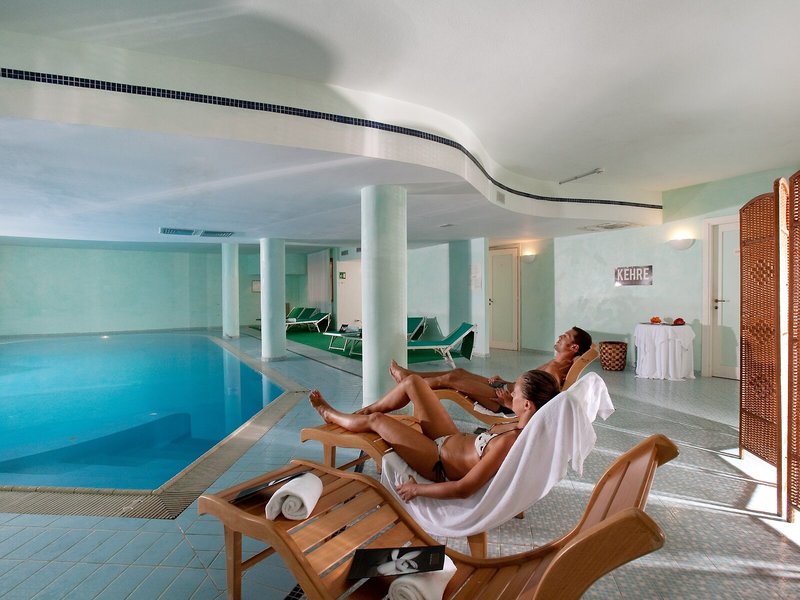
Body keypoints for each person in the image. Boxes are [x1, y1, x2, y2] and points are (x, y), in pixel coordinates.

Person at [308, 369, 560, 501]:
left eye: (515, 393)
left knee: (377, 421)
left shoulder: (510, 442)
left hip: (437, 461)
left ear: (528, 405)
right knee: (413, 382)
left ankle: (331, 415)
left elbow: (464, 489)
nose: (510, 393)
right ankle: (365, 410)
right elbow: (515, 411)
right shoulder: (522, 422)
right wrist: (508, 402)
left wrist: (417, 490)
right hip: (450, 437)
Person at [389, 326, 592, 414]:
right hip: (506, 389)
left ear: (574, 347)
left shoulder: (555, 372)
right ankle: (409, 375)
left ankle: (409, 383)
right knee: (458, 373)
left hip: (505, 402)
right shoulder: (554, 363)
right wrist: (507, 382)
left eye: (565, 336)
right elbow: (530, 386)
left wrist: (509, 402)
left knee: (451, 380)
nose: (560, 336)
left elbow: (540, 402)